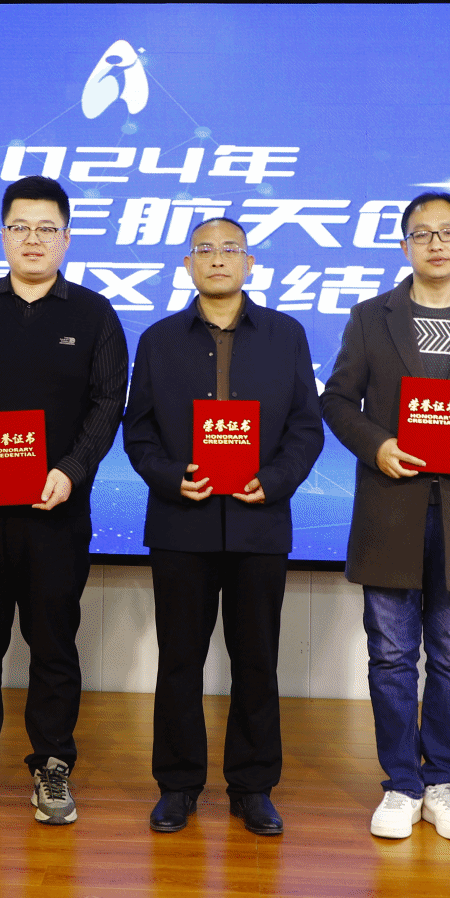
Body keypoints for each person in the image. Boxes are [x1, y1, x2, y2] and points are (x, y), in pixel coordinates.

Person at [321, 192, 450, 841]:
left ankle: (442, 778)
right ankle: (400, 782)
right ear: (404, 245)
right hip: (391, 506)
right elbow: (337, 400)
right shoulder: (370, 317)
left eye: (448, 232)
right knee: (390, 652)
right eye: (422, 233)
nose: (436, 243)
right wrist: (377, 445)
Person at [0, 175, 128, 826]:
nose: (32, 239)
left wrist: (72, 469)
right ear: (3, 235)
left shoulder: (94, 314)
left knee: (54, 643)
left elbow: (108, 402)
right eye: (20, 227)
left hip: (56, 511)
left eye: (46, 228)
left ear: (66, 237)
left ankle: (52, 764)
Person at [122, 217, 323, 836]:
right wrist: (169, 476)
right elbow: (139, 431)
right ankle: (177, 785)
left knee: (256, 660)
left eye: (230, 249)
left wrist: (277, 479)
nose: (217, 259)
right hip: (181, 522)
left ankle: (253, 787)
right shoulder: (158, 339)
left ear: (250, 263)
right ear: (188, 264)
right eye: (204, 250)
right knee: (179, 660)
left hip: (259, 523)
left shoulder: (286, 335)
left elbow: (306, 428)